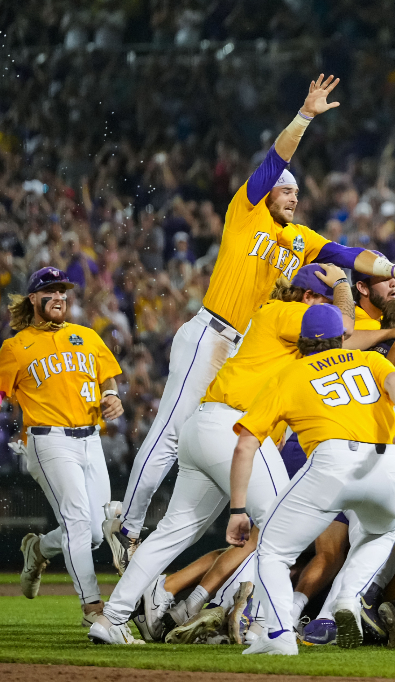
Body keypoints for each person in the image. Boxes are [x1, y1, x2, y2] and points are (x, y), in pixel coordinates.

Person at [109, 75, 395, 568]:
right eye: (285, 189)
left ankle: (165, 559)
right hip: (210, 331)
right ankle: (128, 525)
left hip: (245, 345)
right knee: (172, 431)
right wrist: (304, 116)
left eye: (296, 192)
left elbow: (349, 254)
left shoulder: (301, 237)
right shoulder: (246, 213)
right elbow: (275, 161)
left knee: (212, 443)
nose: (292, 195)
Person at [88, 263, 353, 645]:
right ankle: (264, 625)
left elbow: (344, 342)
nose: (325, 314)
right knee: (284, 526)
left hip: (206, 427)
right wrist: (342, 283)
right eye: (322, 303)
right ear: (308, 297)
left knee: (172, 532)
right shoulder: (287, 311)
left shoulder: (284, 328)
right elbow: (344, 327)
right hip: (233, 429)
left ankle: (111, 618)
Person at [225, 304, 395, 655]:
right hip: (387, 464)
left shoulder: (289, 373)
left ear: (301, 343)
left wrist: (238, 507)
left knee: (272, 550)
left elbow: (245, 445)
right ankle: (347, 596)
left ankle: (280, 634)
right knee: (384, 531)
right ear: (343, 337)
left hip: (332, 463)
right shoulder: (369, 360)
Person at [0, 267, 126, 629]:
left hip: (91, 439)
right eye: (51, 291)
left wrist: (110, 394)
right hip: (48, 441)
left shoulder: (86, 335)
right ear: (33, 299)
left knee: (97, 531)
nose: (60, 296)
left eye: (63, 291)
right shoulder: (17, 345)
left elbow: (106, 375)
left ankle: (40, 549)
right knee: (77, 522)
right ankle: (92, 607)